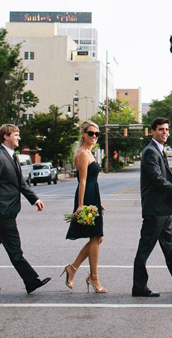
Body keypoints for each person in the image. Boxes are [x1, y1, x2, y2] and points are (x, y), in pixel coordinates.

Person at [0, 124, 50, 294]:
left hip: (8, 210)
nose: (19, 138)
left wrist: (34, 199)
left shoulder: (12, 157)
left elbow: (20, 183)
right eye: (16, 135)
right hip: (2, 212)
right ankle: (31, 280)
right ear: (6, 137)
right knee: (15, 250)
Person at [132, 117, 172, 297]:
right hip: (155, 210)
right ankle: (139, 287)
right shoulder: (150, 152)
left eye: (166, 129)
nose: (164, 132)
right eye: (160, 129)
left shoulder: (159, 150)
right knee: (145, 249)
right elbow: (158, 180)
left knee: (169, 247)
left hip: (163, 210)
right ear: (152, 131)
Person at [62, 121, 106, 292]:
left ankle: (73, 268)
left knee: (98, 238)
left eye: (97, 134)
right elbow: (82, 180)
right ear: (83, 134)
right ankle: (94, 278)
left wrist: (98, 200)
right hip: (86, 196)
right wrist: (81, 205)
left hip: (93, 195)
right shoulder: (82, 153)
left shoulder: (89, 152)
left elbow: (92, 181)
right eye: (90, 133)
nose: (94, 136)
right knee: (95, 237)